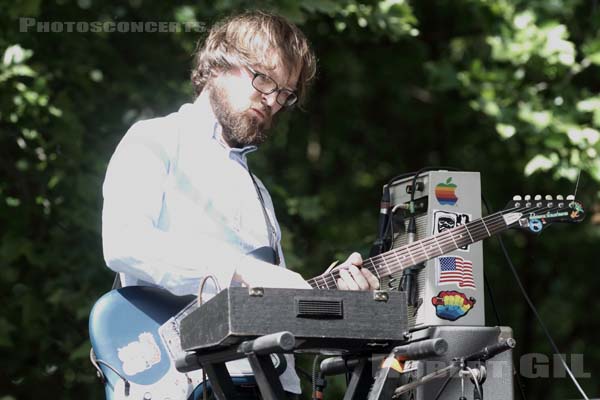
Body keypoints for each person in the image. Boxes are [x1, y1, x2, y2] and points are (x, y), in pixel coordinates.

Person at [101, 10, 379, 398]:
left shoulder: (258, 192)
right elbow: (125, 244)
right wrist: (241, 270)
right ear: (216, 63)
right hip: (182, 381)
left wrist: (343, 309)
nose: (272, 101)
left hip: (268, 383)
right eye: (263, 79)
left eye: (285, 93)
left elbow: (280, 313)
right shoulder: (154, 140)